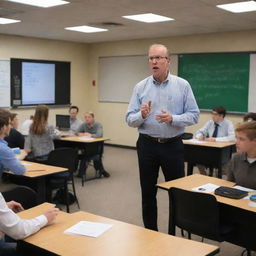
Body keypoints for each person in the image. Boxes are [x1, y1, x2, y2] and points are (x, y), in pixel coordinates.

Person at [126, 44, 199, 231]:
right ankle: (151, 233)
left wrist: (173, 118)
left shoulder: (182, 85)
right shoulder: (140, 87)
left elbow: (194, 115)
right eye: (151, 58)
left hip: (172, 146)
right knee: (147, 192)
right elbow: (129, 119)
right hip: (147, 145)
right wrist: (141, 115)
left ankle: (175, 233)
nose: (154, 61)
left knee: (177, 192)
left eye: (158, 58)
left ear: (168, 61)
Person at [195, 106, 235, 175]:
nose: (212, 116)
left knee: (221, 168)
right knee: (197, 157)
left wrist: (215, 139)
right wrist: (200, 136)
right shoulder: (210, 122)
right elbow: (199, 132)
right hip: (209, 149)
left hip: (222, 152)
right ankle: (204, 176)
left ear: (221, 116)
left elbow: (232, 137)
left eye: (215, 114)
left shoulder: (228, 123)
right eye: (212, 114)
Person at [76, 111, 110, 178]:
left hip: (97, 145)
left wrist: (90, 135)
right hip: (87, 145)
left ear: (93, 118)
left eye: (89, 117)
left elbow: (99, 135)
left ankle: (99, 170)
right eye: (85, 117)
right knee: (82, 153)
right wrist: (82, 134)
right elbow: (77, 132)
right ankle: (101, 170)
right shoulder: (84, 124)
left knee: (91, 155)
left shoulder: (98, 124)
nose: (87, 119)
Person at [227, 121, 256, 189]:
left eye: (241, 139)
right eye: (236, 138)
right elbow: (229, 185)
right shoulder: (235, 158)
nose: (236, 142)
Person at [0, 109, 26, 176]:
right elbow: (20, 170)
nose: (11, 126)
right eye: (9, 124)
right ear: (4, 127)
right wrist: (18, 158)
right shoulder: (3, 149)